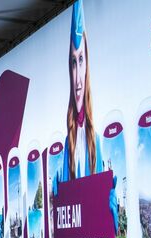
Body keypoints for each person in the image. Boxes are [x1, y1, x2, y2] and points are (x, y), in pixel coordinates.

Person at [58, 1, 102, 184]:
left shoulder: (96, 141)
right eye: (73, 62)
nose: (77, 80)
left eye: (81, 59)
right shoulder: (67, 145)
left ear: (87, 67)